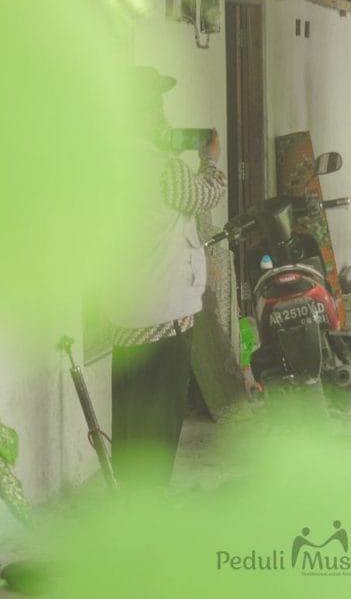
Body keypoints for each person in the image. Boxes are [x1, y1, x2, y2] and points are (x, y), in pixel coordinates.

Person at [103, 66, 227, 488]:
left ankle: (131, 499)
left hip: (125, 315)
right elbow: (206, 195)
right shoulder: (163, 168)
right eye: (155, 104)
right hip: (164, 317)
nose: (162, 113)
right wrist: (210, 160)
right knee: (159, 420)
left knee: (130, 413)